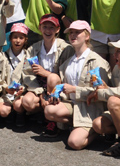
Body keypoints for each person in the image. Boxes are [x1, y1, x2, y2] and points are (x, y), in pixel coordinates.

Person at [43, 21, 110, 150]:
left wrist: (75, 89)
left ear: (87, 36)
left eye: (77, 32)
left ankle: (95, 128)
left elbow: (102, 92)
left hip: (90, 107)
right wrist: (57, 94)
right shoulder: (67, 62)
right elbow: (63, 87)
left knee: (74, 143)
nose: (73, 35)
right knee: (49, 110)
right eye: (71, 33)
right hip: (73, 105)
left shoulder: (97, 61)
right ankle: (76, 125)